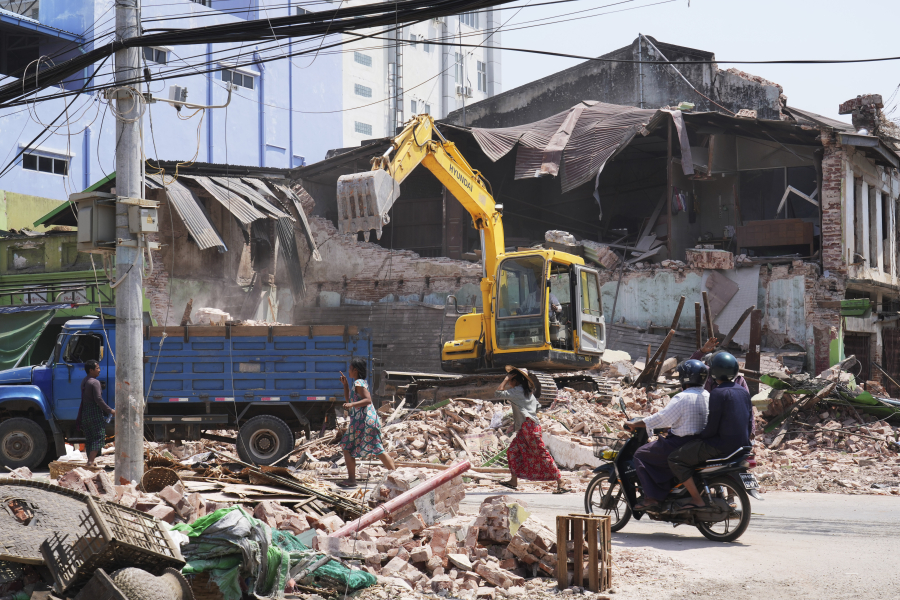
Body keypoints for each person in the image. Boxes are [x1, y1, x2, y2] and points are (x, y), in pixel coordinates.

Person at [668, 351, 753, 509]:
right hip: (742, 444)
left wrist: (701, 437)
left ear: (714, 372)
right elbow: (749, 420)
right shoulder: (742, 391)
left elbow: (712, 426)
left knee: (676, 458)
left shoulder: (717, 393)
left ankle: (695, 498)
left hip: (721, 445)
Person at [624, 360, 710, 511]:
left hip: (680, 444)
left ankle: (651, 498)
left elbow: (662, 418)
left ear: (685, 378)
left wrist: (637, 423)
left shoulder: (682, 397)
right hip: (700, 443)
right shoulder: (708, 395)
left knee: (640, 455)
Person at [496, 366, 571, 494]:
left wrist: (504, 379)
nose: (509, 382)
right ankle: (513, 480)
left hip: (528, 428)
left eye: (510, 379)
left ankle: (561, 482)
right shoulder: (527, 392)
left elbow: (498, 393)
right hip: (527, 426)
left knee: (541, 454)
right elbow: (536, 407)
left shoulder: (517, 391)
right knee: (513, 451)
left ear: (516, 380)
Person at [337, 357, 395, 488]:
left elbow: (367, 400)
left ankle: (352, 480)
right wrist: (345, 385)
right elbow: (350, 399)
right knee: (373, 448)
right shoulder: (360, 382)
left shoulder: (358, 383)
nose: (348, 371)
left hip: (364, 421)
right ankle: (395, 474)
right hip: (363, 421)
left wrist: (351, 404)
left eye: (350, 368)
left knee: (350, 447)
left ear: (355, 370)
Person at [76, 359, 114, 467]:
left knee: (90, 438)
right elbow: (98, 399)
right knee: (98, 437)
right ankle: (90, 462)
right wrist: (110, 410)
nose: (99, 370)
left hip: (85, 412)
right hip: (94, 412)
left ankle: (90, 462)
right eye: (97, 368)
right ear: (91, 370)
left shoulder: (85, 380)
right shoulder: (95, 382)